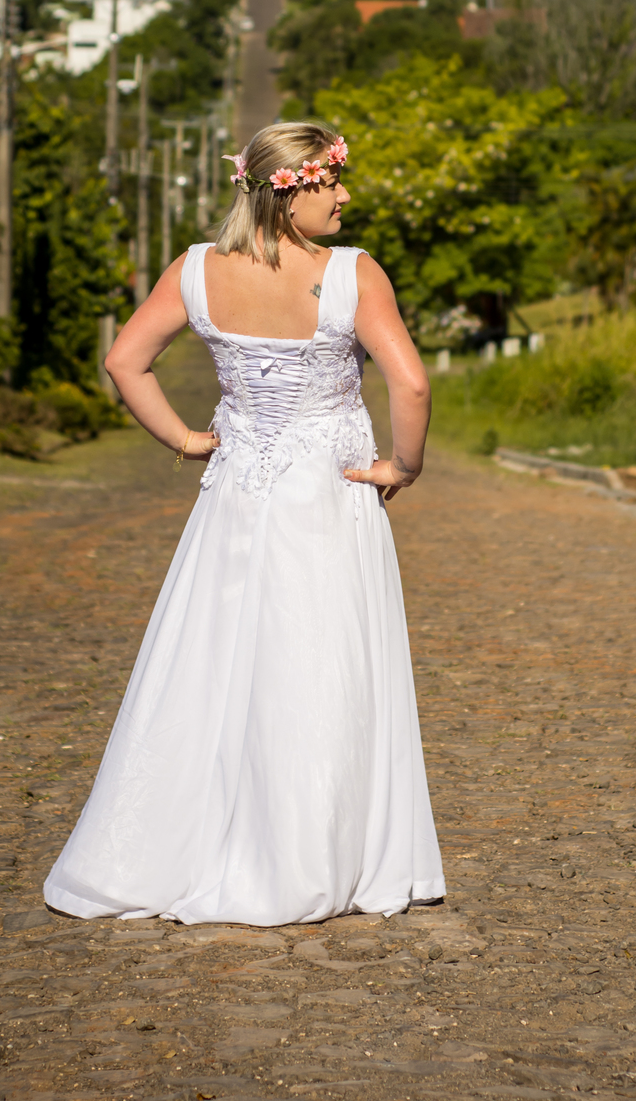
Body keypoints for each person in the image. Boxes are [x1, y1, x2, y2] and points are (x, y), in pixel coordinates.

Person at [43, 121, 445, 926]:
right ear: (289, 190)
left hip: (233, 497)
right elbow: (412, 386)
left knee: (214, 670)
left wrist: (189, 440)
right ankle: (311, 856)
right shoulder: (353, 275)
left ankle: (179, 848)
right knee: (318, 670)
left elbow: (125, 361)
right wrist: (402, 466)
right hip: (327, 501)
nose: (346, 195)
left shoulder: (195, 270)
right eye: (332, 183)